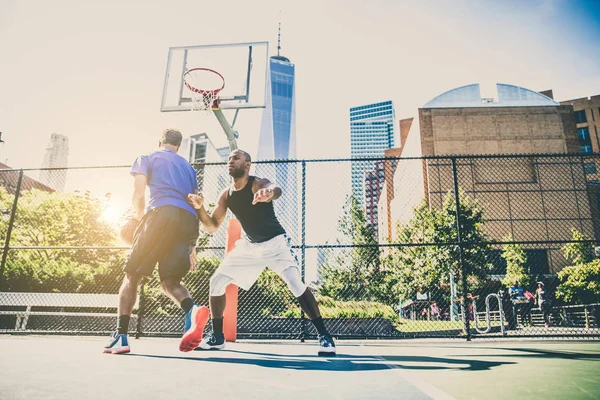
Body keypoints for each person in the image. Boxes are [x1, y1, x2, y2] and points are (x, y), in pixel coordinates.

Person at [186, 149, 336, 356]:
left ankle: (324, 336)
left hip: (276, 245)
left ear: (247, 164)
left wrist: (269, 193)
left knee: (295, 283)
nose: (231, 161)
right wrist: (200, 208)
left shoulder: (257, 183)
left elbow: (275, 189)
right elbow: (211, 226)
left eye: (236, 158)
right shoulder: (226, 194)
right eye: (229, 159)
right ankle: (218, 337)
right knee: (216, 281)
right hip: (249, 247)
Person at [104, 129, 209, 354]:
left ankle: (121, 336)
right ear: (178, 146)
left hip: (160, 214)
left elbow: (138, 194)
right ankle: (192, 310)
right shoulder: (189, 169)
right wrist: (193, 245)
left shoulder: (147, 158)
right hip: (188, 222)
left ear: (160, 142)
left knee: (132, 275)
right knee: (170, 281)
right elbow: (195, 202)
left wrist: (141, 219)